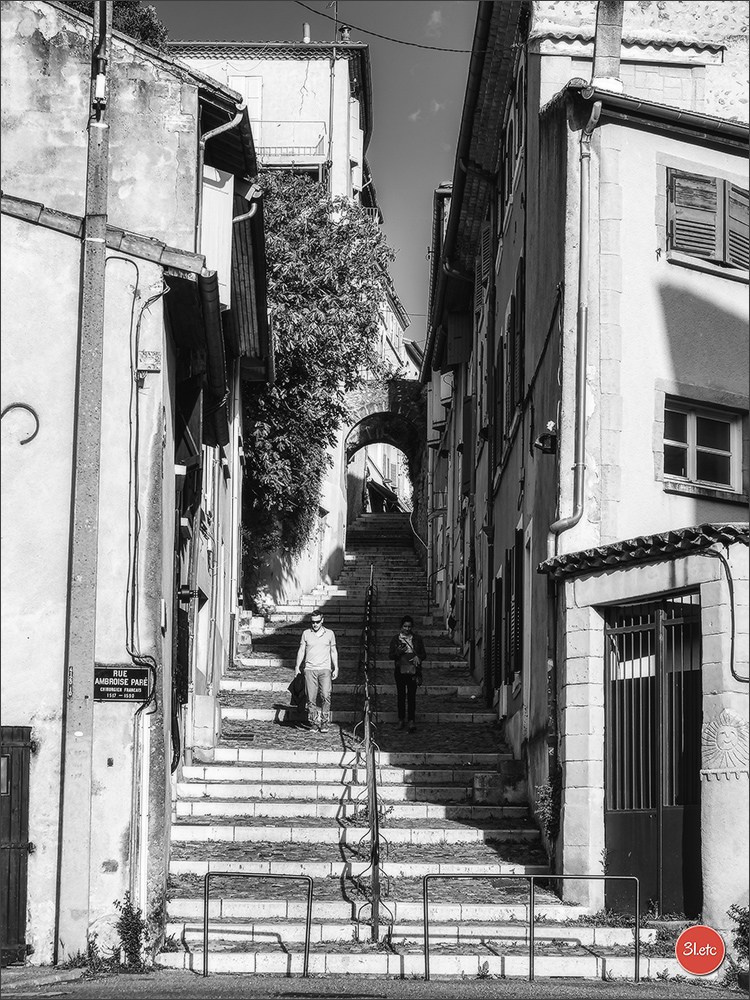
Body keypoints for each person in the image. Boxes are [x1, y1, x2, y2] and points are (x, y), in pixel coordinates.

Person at [295, 611, 338, 733]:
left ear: (322, 620)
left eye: (317, 622)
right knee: (311, 697)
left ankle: (324, 722)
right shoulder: (306, 634)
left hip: (325, 669)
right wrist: (297, 666)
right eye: (313, 622)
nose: (315, 624)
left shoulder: (329, 634)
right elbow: (302, 650)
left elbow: (333, 651)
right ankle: (314, 722)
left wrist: (336, 667)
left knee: (326, 695)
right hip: (310, 669)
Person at [388, 614, 426, 733]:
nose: (407, 629)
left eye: (409, 626)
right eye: (405, 626)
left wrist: (418, 657)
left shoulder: (417, 639)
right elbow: (391, 655)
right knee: (401, 696)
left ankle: (411, 720)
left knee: (411, 696)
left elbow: (423, 654)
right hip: (400, 670)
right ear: (401, 626)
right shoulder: (396, 639)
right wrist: (399, 651)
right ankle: (401, 719)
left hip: (413, 670)